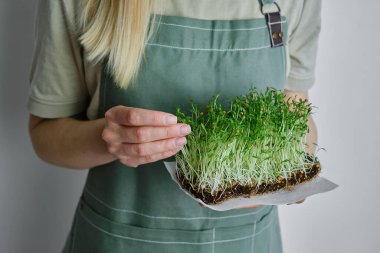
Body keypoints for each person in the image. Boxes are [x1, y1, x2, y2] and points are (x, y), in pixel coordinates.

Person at [28, 0, 321, 252]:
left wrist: (293, 173)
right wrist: (107, 139)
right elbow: (45, 132)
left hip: (248, 239)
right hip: (121, 240)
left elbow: (295, 112)